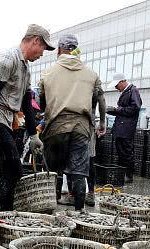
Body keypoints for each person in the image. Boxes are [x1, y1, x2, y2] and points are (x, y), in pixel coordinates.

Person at [0, 24, 53, 213]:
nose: (42, 54)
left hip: (6, 121)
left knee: (8, 173)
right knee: (15, 170)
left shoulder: (25, 68)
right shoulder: (7, 59)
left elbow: (26, 103)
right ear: (35, 41)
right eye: (43, 48)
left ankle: (5, 213)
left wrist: (33, 135)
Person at [38, 34, 105, 211]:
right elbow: (98, 99)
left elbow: (42, 104)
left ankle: (50, 212)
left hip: (56, 126)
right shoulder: (91, 74)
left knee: (53, 171)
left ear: (59, 50)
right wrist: (102, 123)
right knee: (79, 172)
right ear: (76, 49)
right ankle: (80, 212)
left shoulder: (48, 73)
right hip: (81, 127)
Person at [106, 73, 142, 186]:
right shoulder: (127, 92)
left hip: (126, 128)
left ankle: (128, 175)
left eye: (117, 86)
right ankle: (121, 173)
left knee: (126, 151)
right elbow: (125, 110)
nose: (116, 88)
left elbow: (135, 108)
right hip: (121, 128)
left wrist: (117, 110)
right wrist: (112, 111)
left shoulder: (133, 90)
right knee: (121, 151)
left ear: (122, 82)